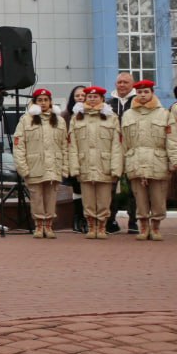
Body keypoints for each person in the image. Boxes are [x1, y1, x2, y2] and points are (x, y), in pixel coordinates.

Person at [120, 79, 176, 241]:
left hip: (157, 160)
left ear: (152, 93)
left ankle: (156, 227)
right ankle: (143, 227)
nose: (143, 95)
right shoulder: (128, 115)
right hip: (135, 160)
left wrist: (174, 160)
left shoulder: (164, 114)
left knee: (158, 198)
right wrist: (122, 164)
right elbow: (123, 142)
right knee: (140, 198)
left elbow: (171, 139)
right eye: (139, 92)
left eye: (146, 92)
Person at [67, 86, 122, 239]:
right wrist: (74, 167)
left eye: (95, 97)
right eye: (89, 97)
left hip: (104, 165)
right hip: (85, 165)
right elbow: (72, 145)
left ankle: (102, 226)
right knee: (88, 200)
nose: (92, 99)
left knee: (104, 200)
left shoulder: (111, 118)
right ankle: (91, 226)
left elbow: (117, 146)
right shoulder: (77, 118)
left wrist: (116, 168)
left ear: (102, 99)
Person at [13, 88, 68, 238]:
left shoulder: (59, 120)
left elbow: (65, 145)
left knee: (51, 197)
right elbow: (18, 145)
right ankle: (38, 225)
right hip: (34, 166)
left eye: (46, 100)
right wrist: (22, 168)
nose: (43, 103)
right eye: (40, 100)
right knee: (36, 197)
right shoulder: (26, 119)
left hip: (54, 166)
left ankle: (49, 226)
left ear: (50, 102)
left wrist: (65, 167)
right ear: (35, 102)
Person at [108, 72, 138, 233]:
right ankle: (110, 221)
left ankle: (134, 222)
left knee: (135, 187)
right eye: (119, 82)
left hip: (132, 149)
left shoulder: (138, 102)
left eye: (125, 82)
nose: (122, 85)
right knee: (111, 187)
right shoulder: (108, 103)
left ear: (132, 84)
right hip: (113, 150)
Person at [62, 86, 88, 233]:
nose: (80, 97)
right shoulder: (65, 116)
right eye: (77, 95)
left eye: (83, 95)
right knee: (76, 189)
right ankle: (78, 218)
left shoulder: (93, 114)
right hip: (72, 157)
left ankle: (89, 218)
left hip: (88, 158)